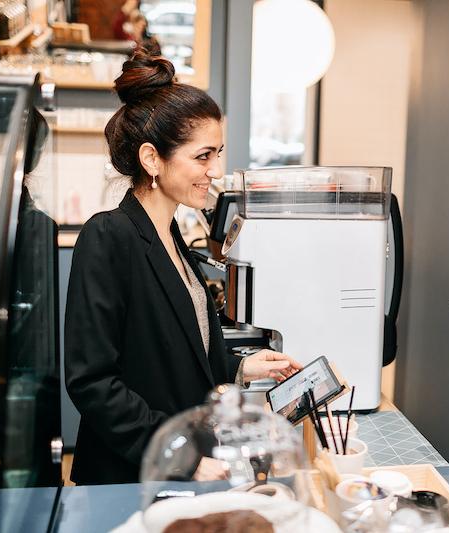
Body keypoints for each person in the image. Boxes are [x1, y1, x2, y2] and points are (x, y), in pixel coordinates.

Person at [64, 46, 302, 485]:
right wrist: (183, 455)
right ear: (152, 159)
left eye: (218, 154)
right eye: (203, 156)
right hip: (133, 473)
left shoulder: (171, 234)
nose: (215, 170)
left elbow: (179, 349)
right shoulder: (108, 237)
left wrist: (239, 367)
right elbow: (93, 382)